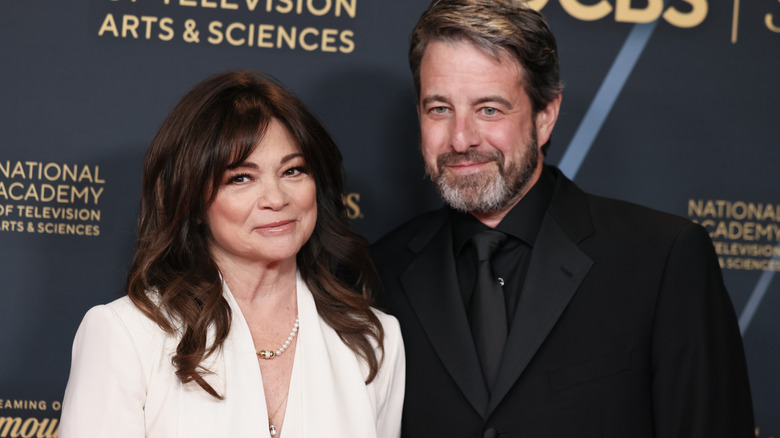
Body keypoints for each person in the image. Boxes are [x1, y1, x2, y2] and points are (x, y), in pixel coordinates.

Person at [370, 0, 754, 437]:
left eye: (489, 110)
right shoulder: (379, 273)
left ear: (545, 116)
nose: (461, 139)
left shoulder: (662, 260)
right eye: (439, 109)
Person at [60, 71, 404, 438]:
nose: (276, 199)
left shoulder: (374, 340)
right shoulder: (125, 335)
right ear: (192, 200)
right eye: (241, 177)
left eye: (293, 170)